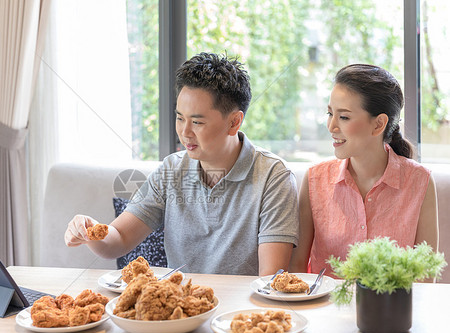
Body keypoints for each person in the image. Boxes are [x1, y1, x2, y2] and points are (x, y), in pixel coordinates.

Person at [64, 52, 299, 276]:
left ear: (234, 122)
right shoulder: (171, 170)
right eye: (179, 118)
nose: (184, 132)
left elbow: (269, 279)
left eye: (197, 122)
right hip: (180, 310)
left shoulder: (273, 176)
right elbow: (118, 240)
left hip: (240, 314)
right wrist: (91, 231)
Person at [289, 64, 438, 276]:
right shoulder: (315, 179)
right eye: (330, 113)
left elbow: (426, 275)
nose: (331, 126)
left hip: (392, 308)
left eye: (344, 117)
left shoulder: (420, 182)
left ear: (379, 124)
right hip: (325, 307)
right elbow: (297, 268)